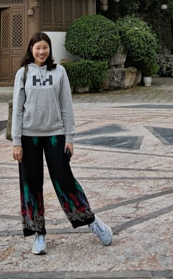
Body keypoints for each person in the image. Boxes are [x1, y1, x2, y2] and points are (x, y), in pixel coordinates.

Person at [11, 32, 113, 255]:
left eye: (45, 47)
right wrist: (16, 141)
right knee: (31, 183)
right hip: (28, 137)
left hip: (55, 135)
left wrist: (70, 137)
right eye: (37, 48)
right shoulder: (23, 73)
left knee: (64, 180)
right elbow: (17, 109)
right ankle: (38, 233)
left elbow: (67, 105)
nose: (41, 52)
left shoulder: (59, 72)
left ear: (49, 49)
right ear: (31, 50)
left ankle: (92, 221)